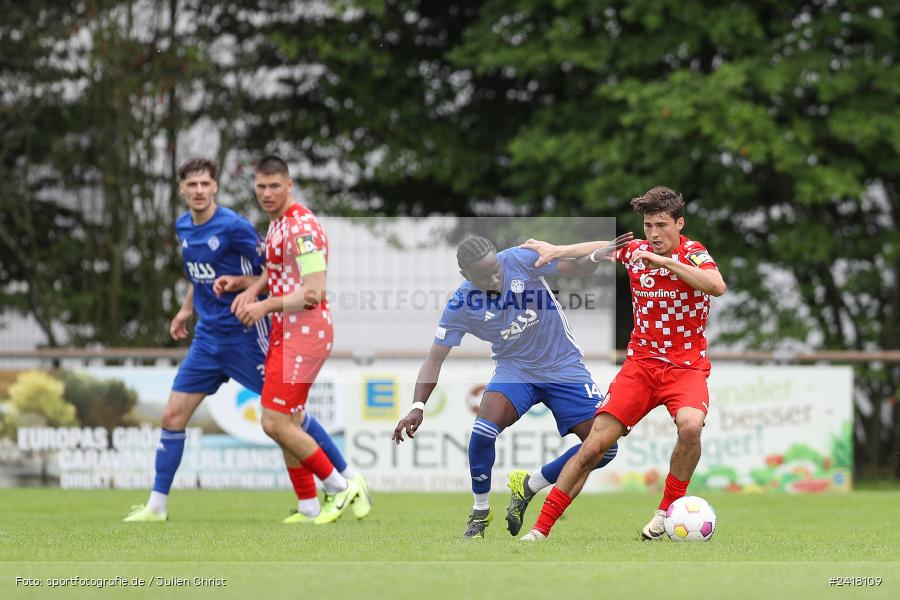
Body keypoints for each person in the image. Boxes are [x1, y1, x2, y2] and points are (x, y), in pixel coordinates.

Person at [123, 158, 365, 524]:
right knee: (177, 415)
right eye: (261, 187)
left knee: (284, 419)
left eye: (206, 183)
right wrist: (200, 304)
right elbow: (249, 273)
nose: (199, 190)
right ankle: (158, 506)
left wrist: (257, 298)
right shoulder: (267, 225)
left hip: (263, 335)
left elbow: (304, 288)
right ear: (182, 189)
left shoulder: (270, 226)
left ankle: (344, 481)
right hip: (215, 338)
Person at [518, 186, 726, 541]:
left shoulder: (694, 254)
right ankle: (540, 530)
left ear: (680, 224)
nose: (654, 233)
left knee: (691, 427)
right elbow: (598, 248)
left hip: (685, 367)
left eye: (661, 225)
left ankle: (665, 513)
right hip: (641, 366)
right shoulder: (635, 251)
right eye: (648, 226)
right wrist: (557, 250)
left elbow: (716, 285)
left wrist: (665, 263)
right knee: (593, 448)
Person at [392, 232, 633, 538]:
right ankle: (479, 514)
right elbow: (434, 359)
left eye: (496, 270)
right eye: (484, 276)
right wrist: (417, 406)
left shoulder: (520, 259)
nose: (495, 278)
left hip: (563, 365)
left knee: (606, 448)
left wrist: (597, 256)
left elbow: (577, 268)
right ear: (465, 276)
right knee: (482, 433)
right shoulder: (461, 304)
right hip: (515, 370)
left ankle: (530, 484)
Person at [225, 155, 366, 525]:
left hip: (305, 334)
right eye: (261, 186)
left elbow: (313, 293)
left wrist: (264, 305)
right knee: (289, 419)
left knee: (274, 423)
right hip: (285, 333)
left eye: (275, 186)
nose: (267, 193)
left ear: (289, 185)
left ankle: (340, 486)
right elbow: (275, 274)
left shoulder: (301, 227)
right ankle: (307, 505)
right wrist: (248, 287)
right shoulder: (276, 225)